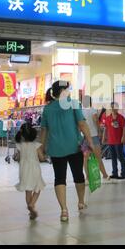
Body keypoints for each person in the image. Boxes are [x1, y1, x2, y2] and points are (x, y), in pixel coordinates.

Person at [40, 80, 94, 222]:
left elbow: (44, 130)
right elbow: (82, 124)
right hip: (74, 146)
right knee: (78, 175)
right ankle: (81, 202)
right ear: (64, 90)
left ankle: (64, 210)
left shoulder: (48, 108)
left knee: (59, 178)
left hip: (56, 149)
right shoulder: (73, 103)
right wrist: (90, 141)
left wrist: (41, 148)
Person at [14, 123, 46, 220]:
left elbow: (18, 158)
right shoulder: (36, 145)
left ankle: (31, 211)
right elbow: (41, 158)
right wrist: (44, 157)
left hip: (23, 170)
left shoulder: (20, 146)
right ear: (34, 134)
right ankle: (32, 204)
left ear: (22, 135)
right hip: (34, 169)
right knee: (38, 188)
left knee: (28, 191)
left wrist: (18, 157)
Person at [81, 96, 110, 181]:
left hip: (84, 138)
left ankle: (87, 177)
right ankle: (104, 175)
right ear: (90, 102)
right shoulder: (92, 110)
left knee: (85, 158)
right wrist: (100, 131)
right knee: (98, 157)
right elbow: (96, 121)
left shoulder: (80, 111)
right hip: (93, 137)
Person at [103, 102, 125, 180]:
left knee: (120, 157)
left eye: (115, 107)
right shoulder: (108, 118)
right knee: (113, 158)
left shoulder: (121, 118)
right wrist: (104, 137)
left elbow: (124, 127)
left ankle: (123, 173)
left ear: (117, 108)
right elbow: (105, 128)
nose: (113, 109)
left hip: (118, 141)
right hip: (111, 141)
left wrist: (123, 136)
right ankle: (115, 173)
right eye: (112, 107)